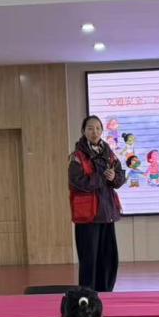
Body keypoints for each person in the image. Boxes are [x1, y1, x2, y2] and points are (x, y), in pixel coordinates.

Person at [69, 114, 126, 291]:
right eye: (90, 128)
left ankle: (106, 293)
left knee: (109, 259)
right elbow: (77, 182)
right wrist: (102, 177)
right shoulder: (77, 156)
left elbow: (120, 177)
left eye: (98, 128)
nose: (94, 132)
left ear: (102, 131)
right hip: (88, 216)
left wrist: (114, 177)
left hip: (107, 213)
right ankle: (88, 296)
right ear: (83, 131)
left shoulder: (109, 153)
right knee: (89, 261)